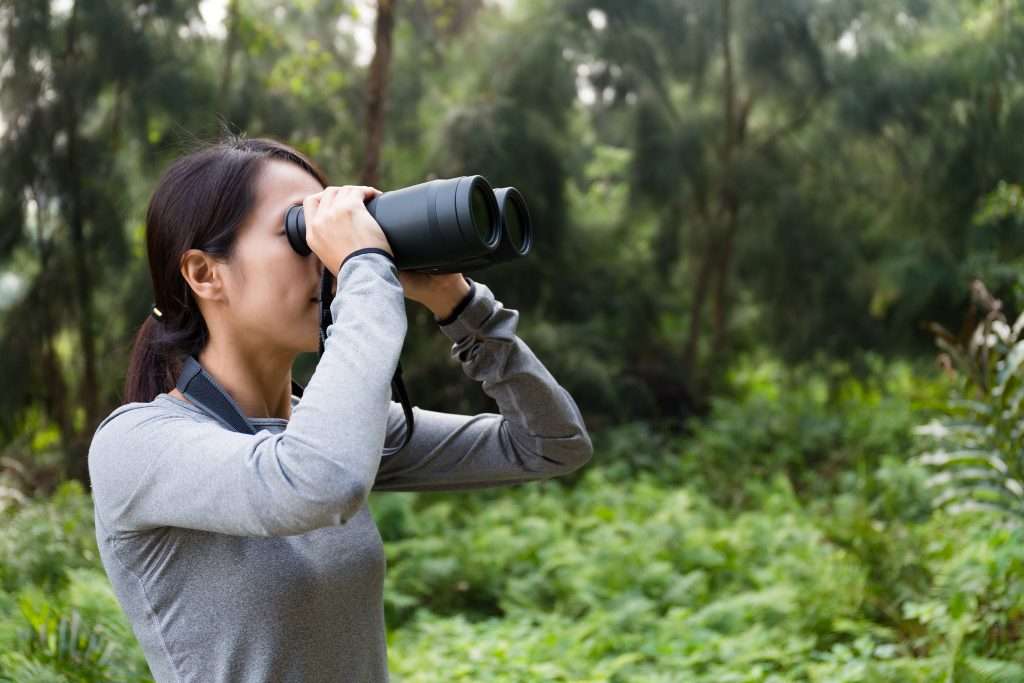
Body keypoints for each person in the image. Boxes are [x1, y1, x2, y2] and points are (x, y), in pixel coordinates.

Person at [86, 136, 593, 683]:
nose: (327, 261)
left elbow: (550, 445)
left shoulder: (328, 430)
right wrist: (365, 271)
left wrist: (463, 308)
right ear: (206, 273)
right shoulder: (136, 445)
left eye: (330, 231)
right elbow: (316, 481)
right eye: (302, 232)